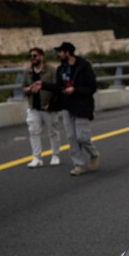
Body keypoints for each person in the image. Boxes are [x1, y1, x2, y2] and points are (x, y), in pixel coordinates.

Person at [42, 42, 100, 177]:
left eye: (60, 52)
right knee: (71, 137)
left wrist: (75, 90)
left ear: (67, 52)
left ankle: (94, 154)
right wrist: (43, 85)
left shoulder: (84, 66)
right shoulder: (61, 69)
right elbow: (58, 87)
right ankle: (78, 165)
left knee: (82, 137)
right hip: (67, 106)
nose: (58, 54)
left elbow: (92, 87)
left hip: (82, 106)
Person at [22, 47, 62, 168]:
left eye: (35, 55)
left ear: (42, 56)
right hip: (33, 107)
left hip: (48, 107)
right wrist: (28, 89)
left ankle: (55, 155)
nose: (32, 58)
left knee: (53, 132)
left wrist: (53, 104)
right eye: (31, 56)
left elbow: (57, 88)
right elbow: (23, 87)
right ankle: (37, 157)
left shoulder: (51, 70)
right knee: (33, 131)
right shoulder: (28, 71)